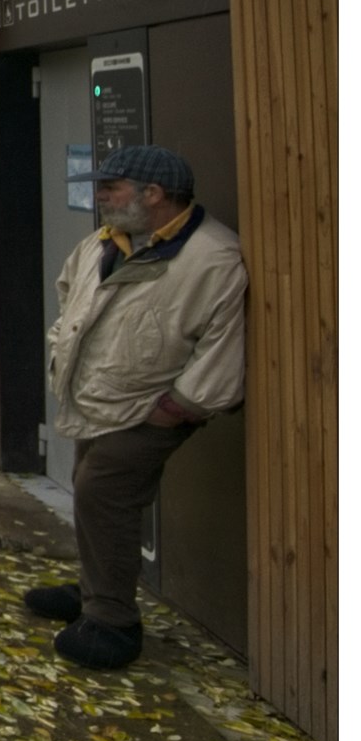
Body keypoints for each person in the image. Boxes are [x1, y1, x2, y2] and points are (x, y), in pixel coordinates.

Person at [28, 145, 246, 671]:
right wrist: (63, 347)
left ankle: (113, 622)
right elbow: (69, 296)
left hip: (152, 408)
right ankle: (93, 591)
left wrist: (176, 407)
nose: (100, 195)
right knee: (91, 488)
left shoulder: (212, 257)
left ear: (155, 194)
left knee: (104, 491)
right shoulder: (104, 242)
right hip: (97, 396)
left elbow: (222, 347)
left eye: (112, 187)